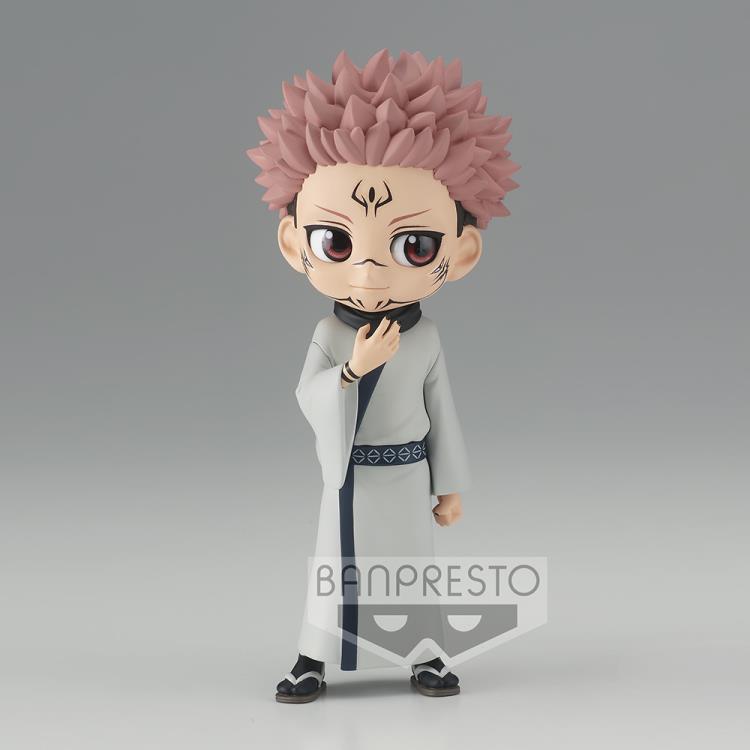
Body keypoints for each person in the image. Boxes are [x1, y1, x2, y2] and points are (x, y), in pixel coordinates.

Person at [246, 49, 519, 702]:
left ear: (461, 252)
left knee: (411, 570)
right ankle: (314, 657)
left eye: (412, 246)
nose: (368, 273)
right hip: (352, 475)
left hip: (406, 475)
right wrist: (350, 371)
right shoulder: (330, 334)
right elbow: (307, 396)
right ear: (293, 243)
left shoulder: (425, 338)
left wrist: (449, 484)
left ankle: (425, 655)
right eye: (336, 243)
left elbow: (442, 411)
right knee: (334, 569)